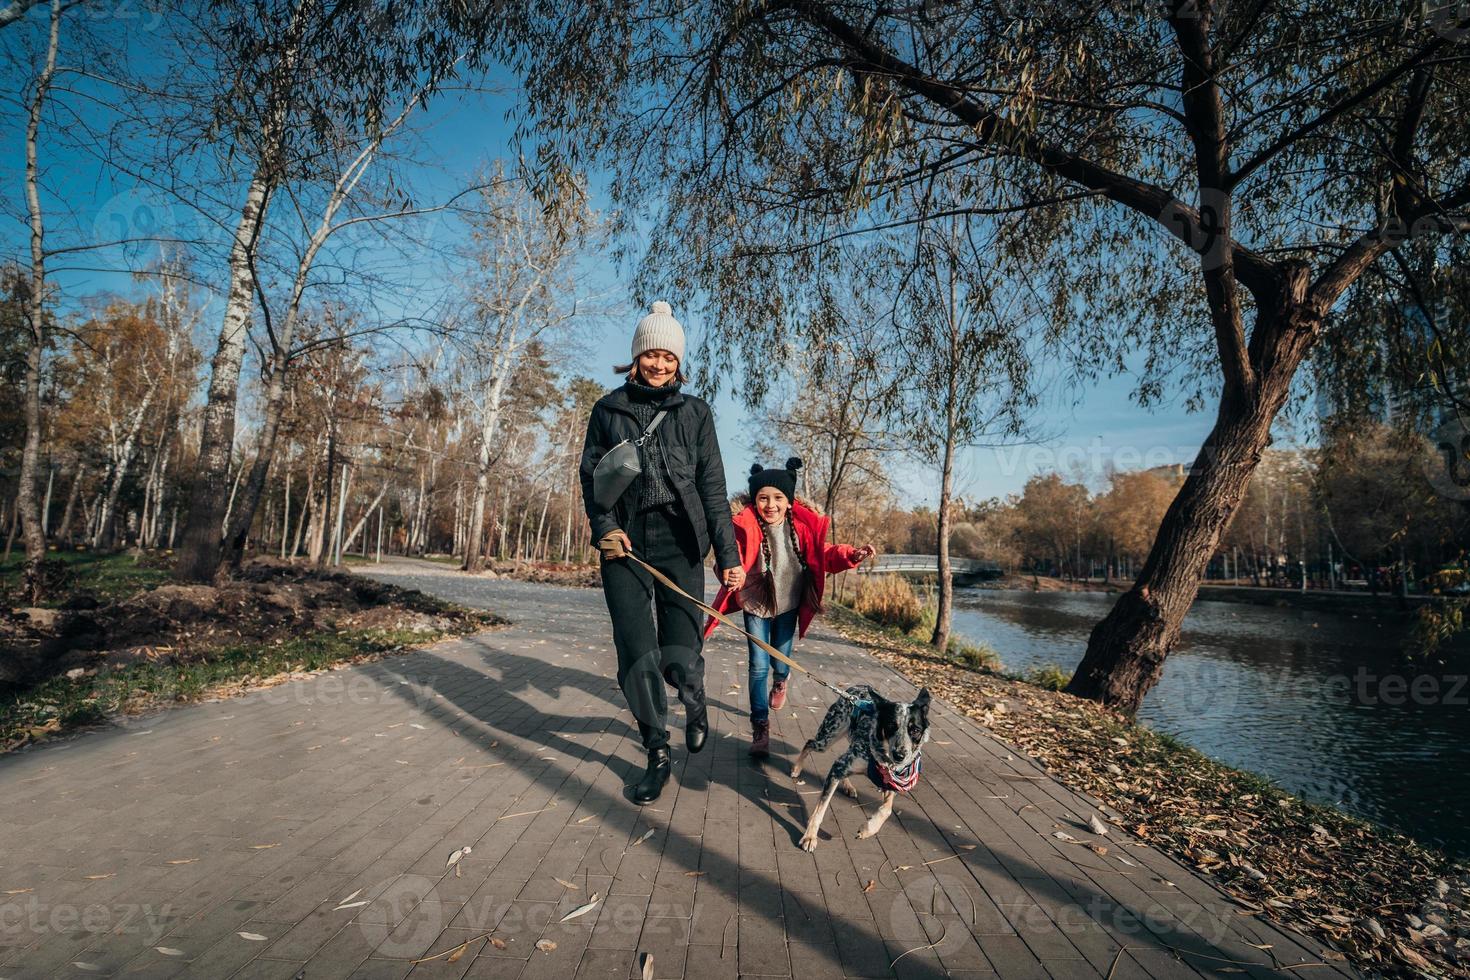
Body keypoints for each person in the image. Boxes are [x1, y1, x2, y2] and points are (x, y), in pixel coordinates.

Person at [579, 301, 745, 805]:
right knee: (636, 653)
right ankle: (656, 751)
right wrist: (604, 527)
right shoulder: (607, 410)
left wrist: (728, 554)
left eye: (668, 357)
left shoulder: (695, 413)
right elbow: (593, 478)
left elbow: (713, 490)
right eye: (651, 354)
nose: (659, 365)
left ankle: (693, 698)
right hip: (625, 545)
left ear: (679, 362)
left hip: (681, 543)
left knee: (679, 655)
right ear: (635, 356)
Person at [703, 458, 874, 756]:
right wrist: (726, 572)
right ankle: (760, 724)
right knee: (757, 664)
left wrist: (851, 555)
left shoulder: (801, 528)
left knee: (780, 660)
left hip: (788, 604)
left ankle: (781, 680)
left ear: (789, 501)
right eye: (763, 498)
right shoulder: (744, 526)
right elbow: (727, 560)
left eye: (778, 498)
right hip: (755, 603)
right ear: (755, 500)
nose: (771, 505)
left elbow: (824, 556)